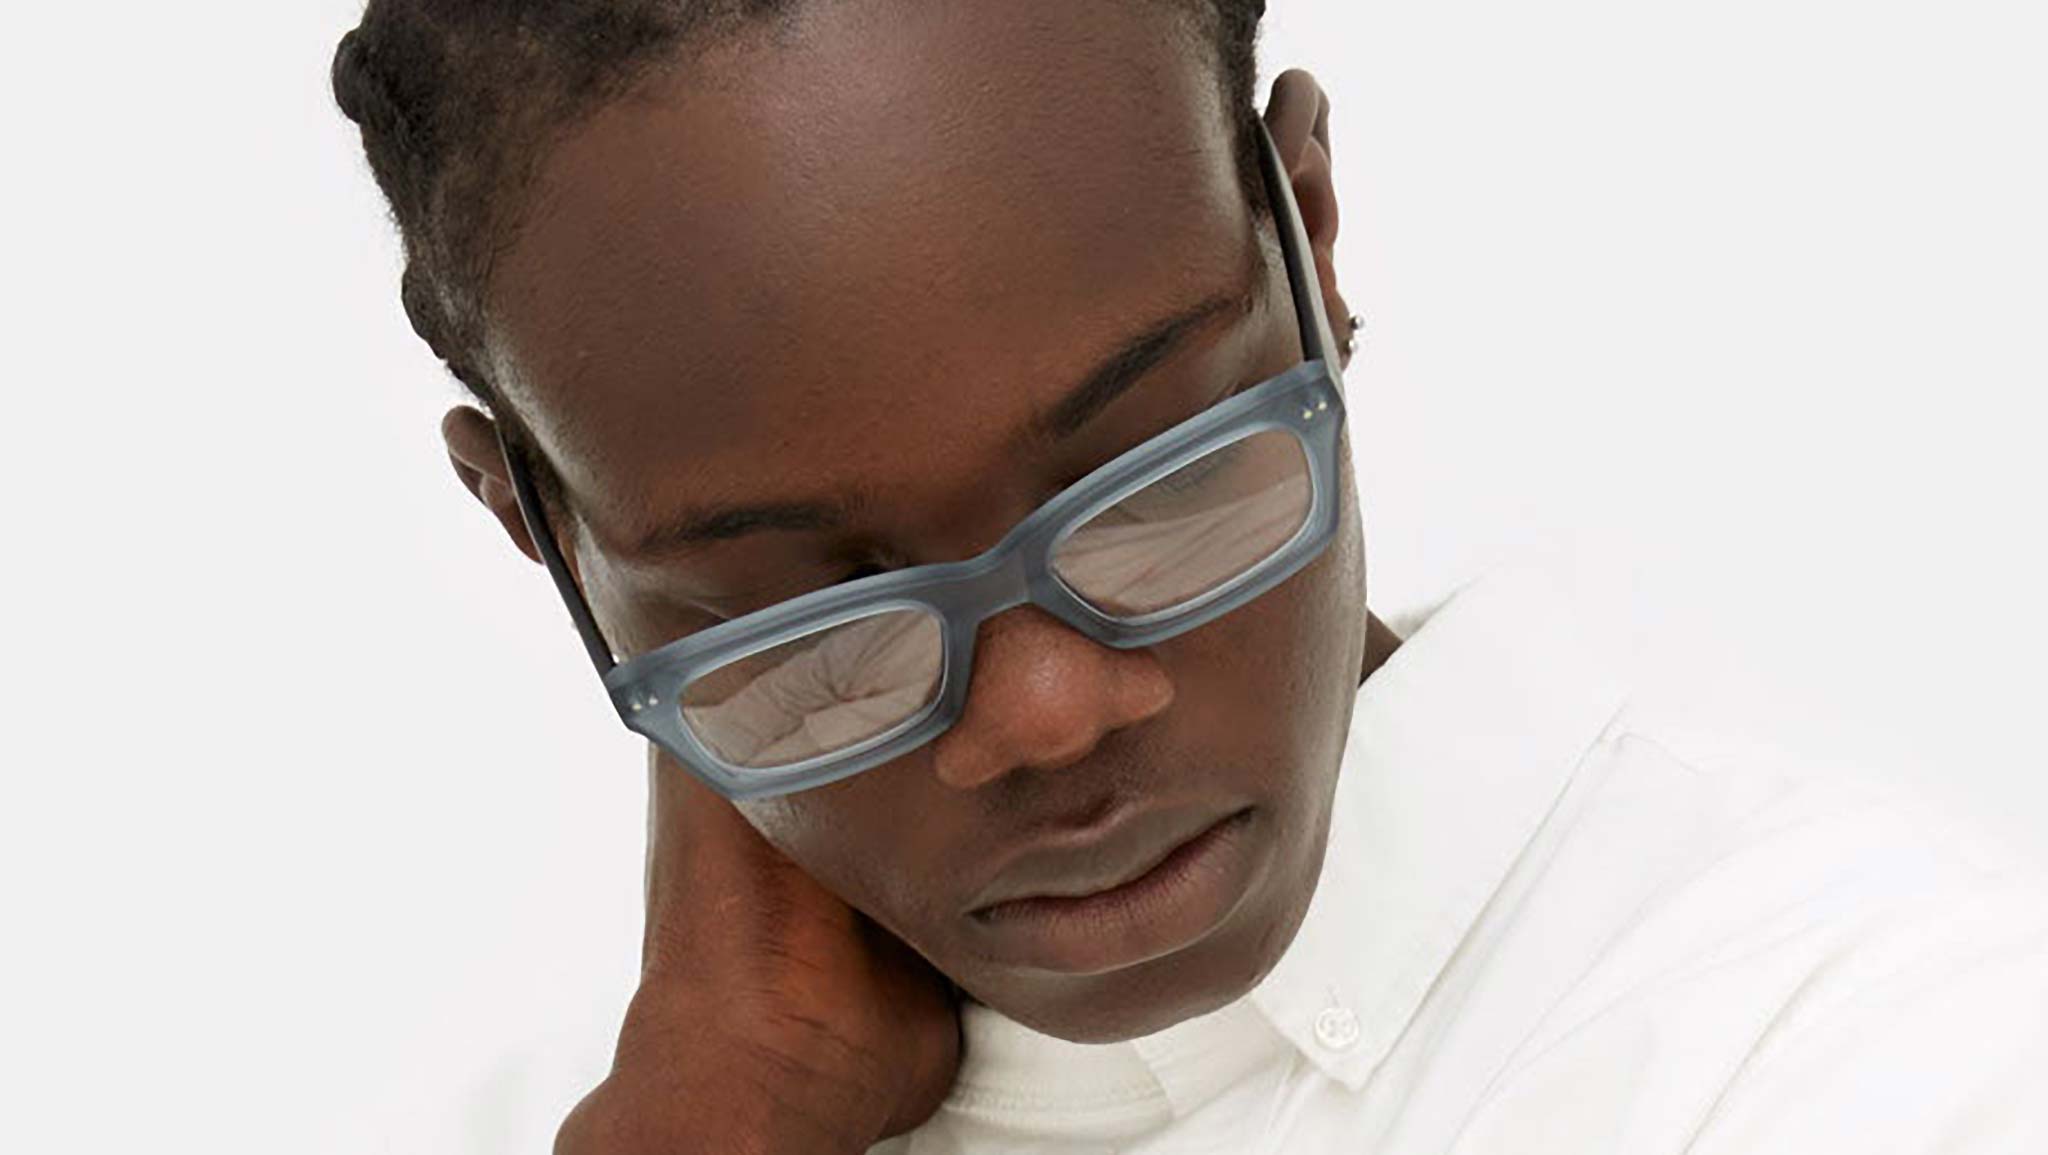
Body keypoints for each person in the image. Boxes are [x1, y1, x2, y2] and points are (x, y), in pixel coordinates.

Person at [329, 2, 2048, 1151]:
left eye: (1151, 475)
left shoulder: (1879, 1055)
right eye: (807, 606)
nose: (1046, 713)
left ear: (1310, 237)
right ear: (546, 538)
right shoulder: (575, 1123)